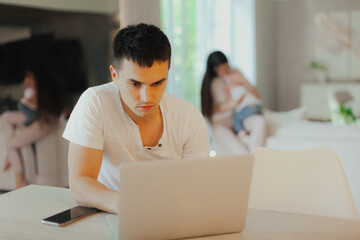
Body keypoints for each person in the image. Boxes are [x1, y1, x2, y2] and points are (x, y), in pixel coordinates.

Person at [62, 23, 210, 213]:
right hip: (112, 215)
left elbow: (197, 188)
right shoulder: (95, 102)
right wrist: (126, 205)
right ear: (114, 75)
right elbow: (80, 183)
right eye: (135, 83)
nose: (146, 97)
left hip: (172, 215)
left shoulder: (188, 117)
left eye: (157, 83)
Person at [2, 63, 67, 188]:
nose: (27, 81)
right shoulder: (36, 90)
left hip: (47, 120)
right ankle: (10, 157)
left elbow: (40, 110)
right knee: (6, 117)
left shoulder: (44, 92)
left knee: (11, 144)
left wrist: (29, 102)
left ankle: (19, 181)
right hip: (38, 117)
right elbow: (31, 111)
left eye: (30, 78)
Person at [201, 51, 265, 154]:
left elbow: (257, 95)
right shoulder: (211, 84)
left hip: (237, 117)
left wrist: (243, 81)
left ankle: (257, 157)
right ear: (214, 70)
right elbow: (208, 110)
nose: (224, 71)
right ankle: (251, 162)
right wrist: (229, 104)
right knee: (242, 152)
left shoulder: (234, 73)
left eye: (226, 67)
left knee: (260, 121)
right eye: (220, 69)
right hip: (220, 124)